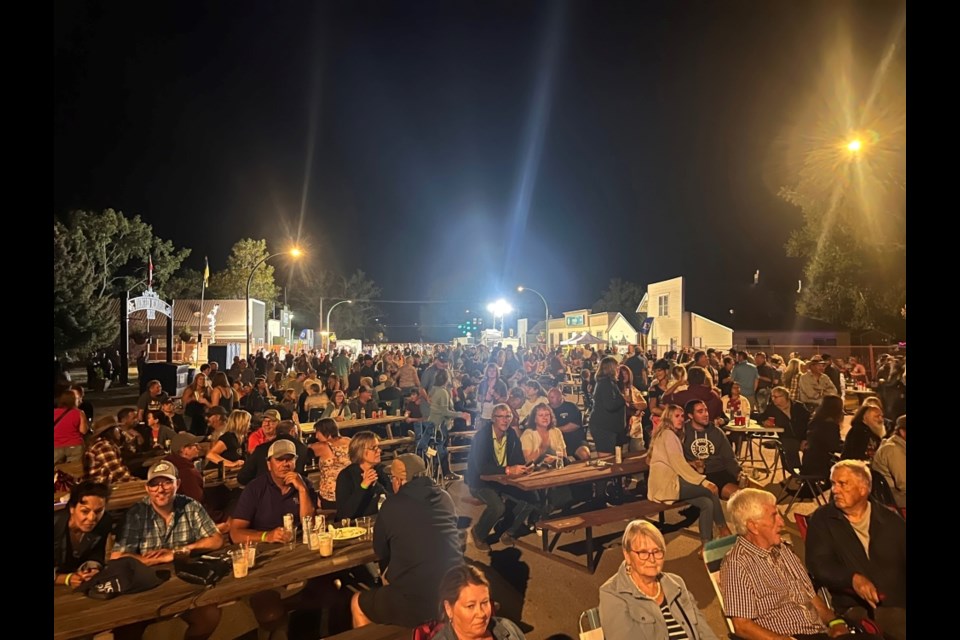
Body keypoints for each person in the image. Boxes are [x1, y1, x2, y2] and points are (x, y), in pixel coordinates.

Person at [720, 488, 875, 640]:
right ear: (753, 526)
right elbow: (742, 626)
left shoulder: (782, 549)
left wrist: (835, 622)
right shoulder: (737, 564)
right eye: (774, 516)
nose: (782, 523)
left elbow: (811, 596)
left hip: (819, 633)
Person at [112, 461, 224, 640]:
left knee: (209, 616)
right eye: (155, 484)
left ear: (177, 484)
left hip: (184, 584)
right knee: (124, 629)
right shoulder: (137, 513)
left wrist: (177, 552)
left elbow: (217, 540)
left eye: (167, 482)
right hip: (144, 588)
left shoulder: (190, 506)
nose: (161, 489)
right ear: (147, 488)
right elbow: (117, 556)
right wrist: (150, 560)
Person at [351, 454, 463, 629]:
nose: (393, 483)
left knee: (357, 602)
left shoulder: (392, 505)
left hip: (418, 600)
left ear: (400, 481)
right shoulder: (444, 497)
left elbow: (380, 551)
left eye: (393, 478)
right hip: (456, 588)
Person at [806, 461, 907, 640]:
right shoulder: (823, 519)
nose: (835, 490)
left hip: (898, 600)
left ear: (863, 488)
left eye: (842, 484)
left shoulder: (889, 518)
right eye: (833, 483)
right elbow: (818, 565)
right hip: (857, 606)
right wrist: (851, 578)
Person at [599, 519, 718, 640]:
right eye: (643, 552)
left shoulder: (676, 584)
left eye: (656, 552)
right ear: (627, 555)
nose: (652, 559)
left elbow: (704, 631)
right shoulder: (612, 594)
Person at [648, 404, 730, 546]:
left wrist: (692, 465)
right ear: (668, 418)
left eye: (682, 416)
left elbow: (674, 462)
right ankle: (723, 529)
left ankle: (706, 544)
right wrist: (703, 482)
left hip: (668, 483)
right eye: (676, 416)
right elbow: (679, 465)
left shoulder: (667, 434)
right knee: (712, 489)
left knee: (706, 503)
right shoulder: (668, 435)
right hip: (667, 485)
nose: (680, 419)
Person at [430, 564, 527, 640]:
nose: (481, 613)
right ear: (448, 608)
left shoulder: (507, 628)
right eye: (470, 606)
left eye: (484, 603)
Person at [54, 481, 112, 588]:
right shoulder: (56, 525)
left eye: (98, 511)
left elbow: (97, 552)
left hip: (81, 583)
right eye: (85, 511)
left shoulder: (104, 522)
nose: (92, 518)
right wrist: (66, 579)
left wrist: (93, 569)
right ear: (72, 508)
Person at [681, 400, 741, 499]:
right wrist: (691, 464)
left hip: (718, 471)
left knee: (745, 495)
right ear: (691, 415)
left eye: (706, 410)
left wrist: (738, 473)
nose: (706, 414)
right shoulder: (683, 432)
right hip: (695, 475)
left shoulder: (716, 432)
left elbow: (729, 458)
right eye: (700, 412)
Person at [335, 431, 391, 521]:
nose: (379, 451)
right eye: (374, 448)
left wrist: (376, 485)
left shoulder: (383, 471)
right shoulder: (346, 476)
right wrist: (363, 486)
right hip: (355, 525)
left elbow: (391, 502)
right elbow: (344, 513)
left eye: (378, 447)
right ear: (360, 451)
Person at [239, 419, 311, 486]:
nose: (285, 463)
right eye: (279, 460)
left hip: (263, 492)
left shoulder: (261, 449)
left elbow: (242, 478)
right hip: (295, 491)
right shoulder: (303, 448)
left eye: (289, 459)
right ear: (292, 431)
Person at [758, 385, 810, 473]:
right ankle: (796, 473)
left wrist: (805, 439)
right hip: (786, 436)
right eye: (772, 396)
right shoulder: (772, 408)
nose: (773, 399)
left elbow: (809, 423)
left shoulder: (798, 406)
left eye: (776, 397)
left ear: (785, 397)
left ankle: (809, 473)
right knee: (790, 445)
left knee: (812, 448)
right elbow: (760, 417)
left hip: (803, 436)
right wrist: (764, 421)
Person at [307, 418, 352, 510]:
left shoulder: (322, 446)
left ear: (325, 431)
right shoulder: (349, 441)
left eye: (317, 432)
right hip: (350, 492)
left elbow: (302, 451)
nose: (316, 436)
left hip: (330, 496)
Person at [590, 356, 628, 454]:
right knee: (606, 459)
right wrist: (623, 398)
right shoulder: (605, 383)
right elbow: (610, 405)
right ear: (611, 368)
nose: (618, 369)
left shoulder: (609, 383)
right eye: (617, 367)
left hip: (609, 427)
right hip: (604, 428)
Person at [801, 395, 844, 479]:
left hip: (809, 462)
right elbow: (834, 446)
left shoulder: (815, 421)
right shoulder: (830, 425)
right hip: (820, 465)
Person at [85, 417, 136, 484]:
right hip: (102, 486)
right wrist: (137, 481)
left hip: (107, 483)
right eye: (117, 428)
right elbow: (118, 473)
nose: (120, 431)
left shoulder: (108, 444)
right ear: (112, 431)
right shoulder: (103, 446)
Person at [871, 415, 905, 508]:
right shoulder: (893, 450)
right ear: (902, 432)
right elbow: (904, 484)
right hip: (895, 496)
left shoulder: (899, 445)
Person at [547, 387, 589, 460]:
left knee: (584, 454)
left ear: (560, 397)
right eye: (549, 397)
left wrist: (556, 430)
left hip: (574, 440)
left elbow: (574, 425)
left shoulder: (571, 407)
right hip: (555, 442)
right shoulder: (546, 409)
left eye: (552, 397)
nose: (549, 400)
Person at [162, 431, 206, 502]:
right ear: (184, 450)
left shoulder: (169, 466)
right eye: (195, 445)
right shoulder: (186, 472)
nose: (199, 448)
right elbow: (197, 499)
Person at [54, 389, 89, 465]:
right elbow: (83, 431)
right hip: (74, 446)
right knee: (74, 470)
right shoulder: (79, 413)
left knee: (56, 470)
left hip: (56, 446)